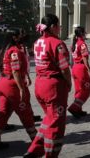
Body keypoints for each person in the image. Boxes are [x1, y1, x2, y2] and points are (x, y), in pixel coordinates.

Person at [25, 14, 72, 158]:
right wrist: (69, 83)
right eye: (58, 25)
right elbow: (64, 68)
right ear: (52, 27)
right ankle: (50, 154)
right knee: (56, 124)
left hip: (40, 83)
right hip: (53, 87)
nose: (60, 28)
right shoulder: (57, 43)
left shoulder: (38, 42)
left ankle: (35, 149)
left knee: (49, 118)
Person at [0, 29, 37, 151]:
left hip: (2, 83)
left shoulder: (4, 49)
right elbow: (15, 71)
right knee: (25, 112)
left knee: (3, 113)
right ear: (15, 38)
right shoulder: (14, 51)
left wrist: (27, 77)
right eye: (20, 35)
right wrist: (22, 89)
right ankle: (36, 141)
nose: (23, 36)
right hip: (12, 86)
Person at [68, 27, 90, 118]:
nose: (86, 34)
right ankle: (74, 107)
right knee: (86, 90)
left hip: (75, 67)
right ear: (82, 33)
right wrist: (89, 70)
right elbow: (85, 58)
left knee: (79, 89)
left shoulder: (74, 43)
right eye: (84, 32)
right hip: (81, 69)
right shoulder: (82, 44)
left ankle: (78, 109)